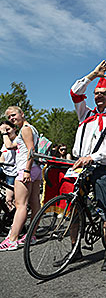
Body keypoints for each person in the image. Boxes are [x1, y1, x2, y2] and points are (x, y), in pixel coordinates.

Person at [68, 60, 106, 270]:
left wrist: (93, 156)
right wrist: (93, 74)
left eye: (103, 93)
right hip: (78, 167)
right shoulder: (85, 114)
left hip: (99, 167)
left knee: (105, 211)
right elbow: (74, 92)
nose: (98, 95)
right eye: (96, 93)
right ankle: (75, 249)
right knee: (73, 206)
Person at [0, 107, 43, 251]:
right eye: (9, 117)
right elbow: (10, 146)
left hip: (26, 169)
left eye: (14, 115)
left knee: (21, 205)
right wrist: (5, 133)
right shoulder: (30, 128)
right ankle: (32, 234)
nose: (12, 118)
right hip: (35, 169)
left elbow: (31, 150)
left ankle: (12, 239)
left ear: (22, 114)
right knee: (34, 202)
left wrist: (26, 170)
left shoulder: (25, 129)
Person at [0, 120, 18, 211]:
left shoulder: (18, 140)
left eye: (8, 129)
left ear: (14, 128)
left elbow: (9, 146)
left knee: (13, 200)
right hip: (8, 171)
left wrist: (4, 133)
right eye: (4, 130)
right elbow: (2, 157)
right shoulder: (5, 142)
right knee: (8, 200)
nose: (6, 132)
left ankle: (17, 222)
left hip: (16, 172)